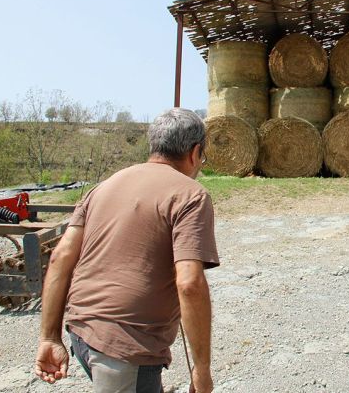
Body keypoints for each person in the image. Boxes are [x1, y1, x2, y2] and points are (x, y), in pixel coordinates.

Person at [34, 108, 219, 393]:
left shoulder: (104, 186)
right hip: (125, 349)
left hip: (81, 335)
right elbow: (190, 283)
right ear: (195, 153)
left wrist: (49, 337)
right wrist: (202, 369)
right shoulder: (190, 195)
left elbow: (60, 257)